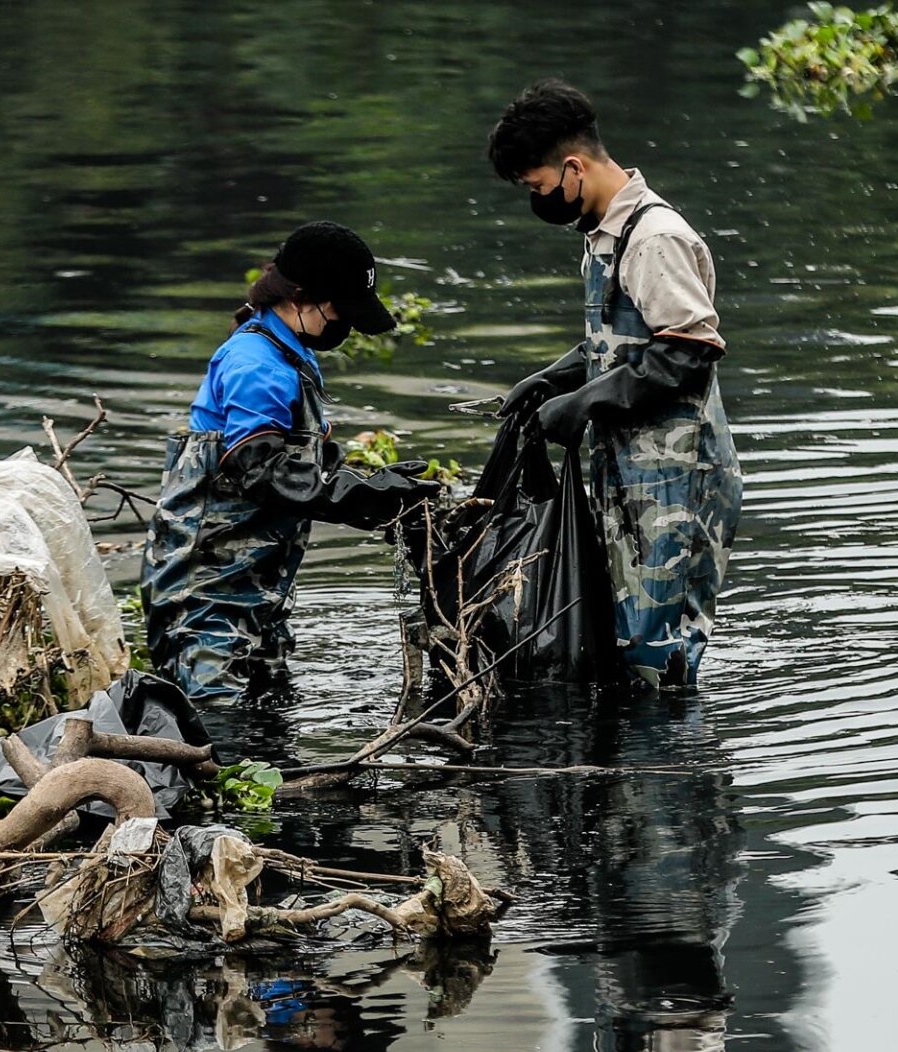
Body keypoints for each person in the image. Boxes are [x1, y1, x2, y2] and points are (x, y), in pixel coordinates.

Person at [487, 79, 744, 690]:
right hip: (632, 470)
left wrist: (585, 402)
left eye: (539, 186)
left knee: (660, 652)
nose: (540, 200)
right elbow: (622, 346)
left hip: (679, 478)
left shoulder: (655, 238)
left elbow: (688, 351)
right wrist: (554, 380)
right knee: (627, 641)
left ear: (572, 167)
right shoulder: (603, 236)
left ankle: (671, 773)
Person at [140, 222, 440, 701]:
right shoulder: (255, 363)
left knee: (271, 710)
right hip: (208, 594)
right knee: (216, 723)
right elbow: (261, 470)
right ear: (300, 298)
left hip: (258, 587)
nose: (341, 322)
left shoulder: (288, 352)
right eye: (337, 309)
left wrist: (375, 484)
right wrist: (362, 496)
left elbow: (300, 459)